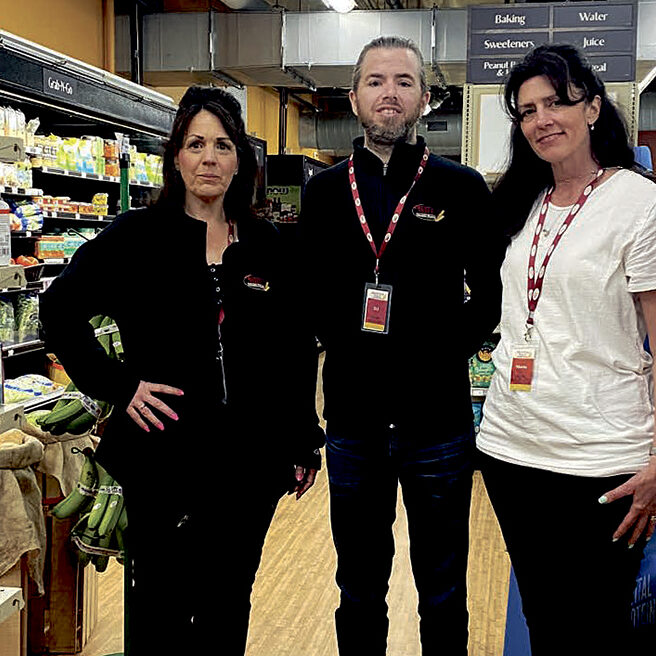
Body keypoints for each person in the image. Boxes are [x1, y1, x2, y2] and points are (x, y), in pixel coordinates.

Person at [39, 85, 324, 654]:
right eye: (196, 144)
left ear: (240, 158)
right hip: (162, 459)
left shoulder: (267, 244)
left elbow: (294, 351)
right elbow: (59, 310)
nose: (209, 158)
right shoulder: (136, 238)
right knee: (160, 610)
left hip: (250, 463)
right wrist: (118, 386)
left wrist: (302, 441)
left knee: (227, 603)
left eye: (222, 145)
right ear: (177, 156)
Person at [297, 36, 503, 655]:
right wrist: (348, 345)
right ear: (354, 97)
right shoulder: (325, 191)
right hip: (354, 424)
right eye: (377, 81)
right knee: (359, 586)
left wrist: (441, 352)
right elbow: (311, 295)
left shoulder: (460, 187)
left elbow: (491, 296)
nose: (390, 93)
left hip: (437, 425)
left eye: (404, 81)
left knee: (442, 587)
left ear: (426, 98)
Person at [477, 43, 656, 656]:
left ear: (594, 108)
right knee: (547, 619)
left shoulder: (637, 202)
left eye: (556, 102)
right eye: (526, 110)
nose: (541, 119)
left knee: (599, 628)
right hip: (511, 447)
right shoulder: (520, 202)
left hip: (602, 462)